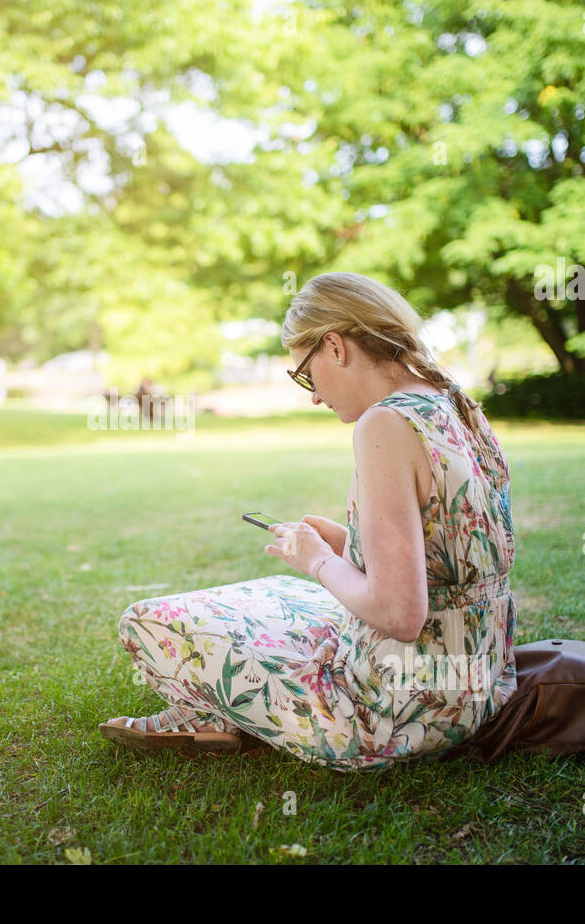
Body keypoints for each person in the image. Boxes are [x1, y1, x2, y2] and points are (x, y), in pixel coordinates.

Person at [98, 272, 518, 771]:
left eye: (305, 373)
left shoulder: (384, 424)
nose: (314, 395)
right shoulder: (451, 402)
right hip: (480, 687)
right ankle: (216, 715)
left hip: (390, 713)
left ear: (335, 346)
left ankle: (211, 715)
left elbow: (400, 613)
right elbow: (450, 556)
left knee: (147, 620)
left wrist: (318, 560)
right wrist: (348, 543)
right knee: (276, 592)